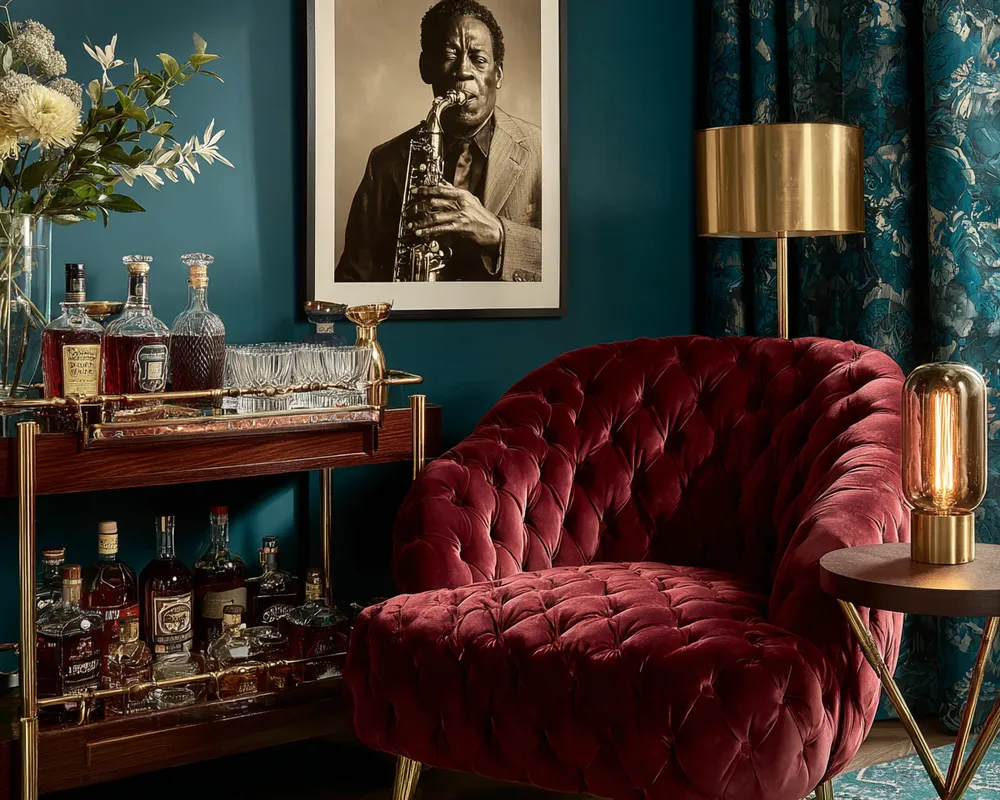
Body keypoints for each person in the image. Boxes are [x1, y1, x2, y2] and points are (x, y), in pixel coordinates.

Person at [336, 0, 542, 283]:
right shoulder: (383, 162)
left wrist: (498, 232)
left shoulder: (542, 150)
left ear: (498, 74)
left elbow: (572, 255)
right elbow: (352, 280)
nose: (463, 71)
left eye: (479, 59)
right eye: (449, 56)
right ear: (426, 68)